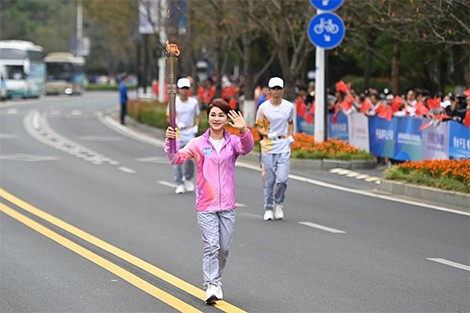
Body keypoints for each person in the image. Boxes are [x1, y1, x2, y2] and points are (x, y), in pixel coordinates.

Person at [164, 99, 254, 305]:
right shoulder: (198, 144)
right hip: (206, 205)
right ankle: (211, 285)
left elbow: (247, 147)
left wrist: (244, 130)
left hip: (228, 206)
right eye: (213, 115)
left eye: (221, 115)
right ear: (208, 118)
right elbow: (175, 158)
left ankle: (217, 279)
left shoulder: (232, 142)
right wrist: (171, 141)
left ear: (226, 119)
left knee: (223, 249)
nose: (216, 119)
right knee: (211, 246)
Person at [255, 77, 294, 221]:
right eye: (274, 88)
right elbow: (258, 126)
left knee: (282, 180)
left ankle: (279, 204)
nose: (276, 91)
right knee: (269, 180)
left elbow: (290, 122)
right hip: (268, 146)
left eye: (279, 88)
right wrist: (267, 134)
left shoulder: (289, 107)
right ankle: (268, 208)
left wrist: (290, 136)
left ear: (283, 90)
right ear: (269, 90)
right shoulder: (263, 107)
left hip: (283, 146)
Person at [166, 77, 201, 194]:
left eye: (186, 88)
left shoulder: (194, 102)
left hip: (190, 132)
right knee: (177, 159)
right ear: (178, 89)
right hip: (178, 133)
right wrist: (175, 123)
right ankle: (179, 183)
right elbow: (168, 116)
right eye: (182, 88)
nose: (184, 90)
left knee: (190, 159)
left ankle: (188, 179)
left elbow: (198, 115)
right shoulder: (173, 102)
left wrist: (196, 126)